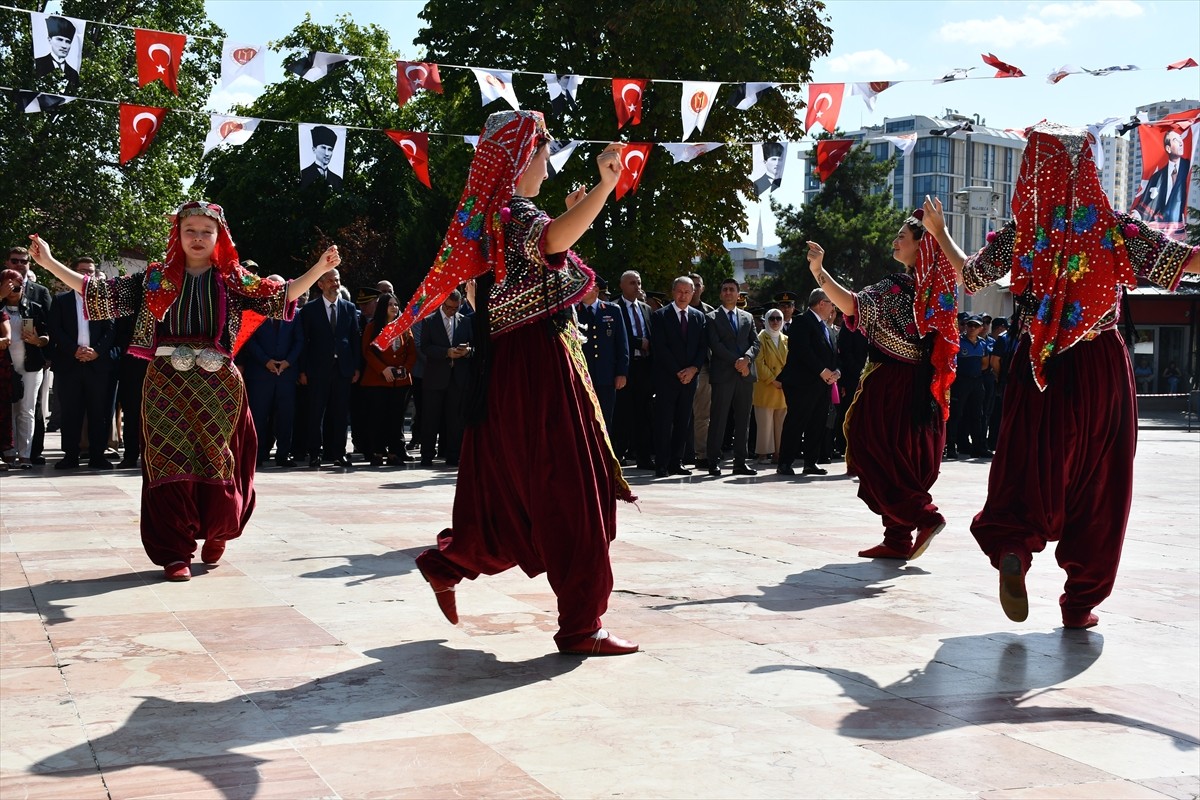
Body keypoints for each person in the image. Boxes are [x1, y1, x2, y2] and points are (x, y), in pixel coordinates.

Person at [380, 109, 638, 655]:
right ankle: (581, 626)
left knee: (508, 491)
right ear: (525, 155)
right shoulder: (513, 213)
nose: (549, 162)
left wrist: (572, 217)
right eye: (544, 150)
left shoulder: (500, 216)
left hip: (512, 368)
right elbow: (550, 241)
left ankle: (449, 564)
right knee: (572, 491)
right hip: (536, 368)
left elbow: (552, 253)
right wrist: (605, 186)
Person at [953, 122, 1200, 629]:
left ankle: (1014, 546)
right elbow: (1184, 260)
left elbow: (971, 277)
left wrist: (938, 232)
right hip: (1101, 366)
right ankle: (1080, 599)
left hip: (1038, 364)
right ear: (1090, 164)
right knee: (1102, 479)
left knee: (1027, 465)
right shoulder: (1113, 226)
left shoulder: (1024, 232)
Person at [27, 202, 339, 581]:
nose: (197, 237)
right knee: (168, 461)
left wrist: (320, 269)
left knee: (215, 458)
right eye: (190, 229)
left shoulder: (232, 279)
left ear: (218, 236)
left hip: (218, 385)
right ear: (178, 233)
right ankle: (176, 552)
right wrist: (49, 263)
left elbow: (280, 295)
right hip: (165, 383)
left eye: (206, 231)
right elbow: (101, 294)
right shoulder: (154, 279)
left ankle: (217, 532)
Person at [806, 201, 961, 559]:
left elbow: (850, 305)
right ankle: (897, 539)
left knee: (873, 451)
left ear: (921, 245)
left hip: (891, 384)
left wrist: (819, 271)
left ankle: (925, 517)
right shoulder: (940, 291)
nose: (895, 240)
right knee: (907, 458)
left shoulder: (894, 289)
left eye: (902, 236)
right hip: (926, 389)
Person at [47, 257, 119, 470]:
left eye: (91, 271)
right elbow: (55, 329)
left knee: (100, 412)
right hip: (69, 364)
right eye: (82, 271)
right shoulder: (61, 300)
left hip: (98, 365)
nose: (87, 275)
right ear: (73, 273)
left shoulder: (103, 300)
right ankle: (70, 455)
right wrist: (74, 350)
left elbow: (111, 330)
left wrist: (96, 351)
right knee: (71, 412)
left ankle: (98, 455)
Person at [298, 268, 360, 469]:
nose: (335, 284)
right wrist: (303, 370)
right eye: (331, 280)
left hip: (342, 369)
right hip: (317, 370)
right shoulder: (309, 310)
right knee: (316, 413)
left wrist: (356, 367)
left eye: (338, 280)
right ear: (321, 284)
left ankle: (339, 453)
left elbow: (354, 340)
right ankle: (315, 453)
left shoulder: (349, 308)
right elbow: (304, 342)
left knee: (340, 414)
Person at [242, 272, 304, 468]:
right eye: (272, 286)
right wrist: (266, 361)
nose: (276, 291)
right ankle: (257, 455)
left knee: (286, 417)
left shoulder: (294, 312)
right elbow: (249, 340)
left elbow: (299, 340)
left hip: (286, 374)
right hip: (261, 374)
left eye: (280, 287)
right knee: (259, 417)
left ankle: (283, 455)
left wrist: (288, 362)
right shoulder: (254, 311)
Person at [775, 289, 838, 476]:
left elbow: (833, 352)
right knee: (796, 422)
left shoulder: (826, 327)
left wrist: (836, 371)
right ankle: (785, 462)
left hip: (822, 385)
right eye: (831, 303)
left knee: (818, 423)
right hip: (802, 383)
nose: (833, 308)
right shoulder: (802, 322)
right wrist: (822, 371)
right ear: (821, 303)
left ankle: (810, 462)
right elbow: (803, 351)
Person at [651, 276, 707, 477]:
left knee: (684, 421)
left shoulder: (698, 317)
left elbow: (702, 348)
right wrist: (678, 371)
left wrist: (693, 369)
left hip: (690, 378)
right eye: (679, 291)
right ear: (673, 292)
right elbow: (660, 348)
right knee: (664, 422)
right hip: (667, 377)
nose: (683, 296)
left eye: (687, 292)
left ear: (693, 293)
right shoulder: (660, 316)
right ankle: (662, 464)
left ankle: (677, 461)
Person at [705, 278, 759, 476]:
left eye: (732, 290)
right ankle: (713, 461)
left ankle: (740, 462)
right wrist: (738, 361)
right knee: (718, 419)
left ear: (738, 295)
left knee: (743, 420)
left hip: (745, 375)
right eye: (725, 289)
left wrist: (747, 359)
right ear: (721, 294)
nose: (728, 293)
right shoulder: (711, 317)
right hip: (724, 374)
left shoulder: (748, 317)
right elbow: (715, 345)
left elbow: (756, 343)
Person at [417, 289, 473, 467]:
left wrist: (467, 351)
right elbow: (425, 347)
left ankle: (453, 455)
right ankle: (427, 455)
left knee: (455, 420)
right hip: (435, 378)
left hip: (457, 379)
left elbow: (474, 347)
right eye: (448, 307)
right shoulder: (429, 321)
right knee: (430, 418)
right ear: (442, 302)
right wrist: (446, 352)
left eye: (455, 308)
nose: (451, 311)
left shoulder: (465, 322)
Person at [0, 269, 49, 469]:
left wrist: (38, 340)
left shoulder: (33, 308)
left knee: (26, 409)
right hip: (4, 365)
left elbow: (47, 336)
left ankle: (25, 454)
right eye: (7, 283)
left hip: (30, 364)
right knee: (6, 408)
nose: (13, 288)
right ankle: (8, 452)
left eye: (16, 284)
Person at [360, 292, 416, 466]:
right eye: (391, 304)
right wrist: (383, 369)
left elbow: (412, 352)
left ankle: (394, 452)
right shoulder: (373, 327)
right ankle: (377, 452)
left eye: (396, 304)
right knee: (377, 416)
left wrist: (404, 369)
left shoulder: (404, 327)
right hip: (377, 380)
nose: (394, 307)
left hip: (399, 382)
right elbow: (367, 351)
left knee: (395, 417)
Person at [613, 270, 655, 470]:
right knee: (622, 414)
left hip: (644, 368)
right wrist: (639, 342)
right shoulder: (614, 308)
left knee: (644, 413)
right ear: (621, 285)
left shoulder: (646, 309)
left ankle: (644, 457)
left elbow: (653, 336)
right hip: (625, 369)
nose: (637, 287)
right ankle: (618, 455)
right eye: (631, 283)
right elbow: (616, 339)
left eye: (638, 282)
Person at [576, 278, 629, 434]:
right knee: (584, 419)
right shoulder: (573, 311)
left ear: (596, 290)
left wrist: (621, 372)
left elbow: (621, 344)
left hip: (607, 375)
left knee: (605, 419)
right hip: (584, 376)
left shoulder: (612, 310)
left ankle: (605, 456)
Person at [946, 316, 991, 458]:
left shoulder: (982, 343)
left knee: (977, 415)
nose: (972, 328)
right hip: (961, 381)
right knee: (956, 414)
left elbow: (985, 363)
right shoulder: (958, 342)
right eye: (969, 325)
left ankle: (978, 447)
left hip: (977, 382)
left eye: (975, 326)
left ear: (981, 328)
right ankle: (951, 446)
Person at [1130, 129, 1190, 225]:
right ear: (1168, 148)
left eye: (1180, 139)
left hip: (1182, 225)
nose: (1181, 143)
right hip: (1161, 228)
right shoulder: (1157, 177)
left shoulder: (1188, 168)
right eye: (1176, 140)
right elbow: (1148, 201)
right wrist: (1137, 214)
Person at [753, 309, 788, 464]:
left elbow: (791, 362)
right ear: (766, 320)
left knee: (781, 423)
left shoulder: (786, 339)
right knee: (765, 423)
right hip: (766, 386)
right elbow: (759, 363)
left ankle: (779, 453)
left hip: (783, 387)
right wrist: (773, 380)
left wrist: (785, 380)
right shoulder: (760, 338)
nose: (775, 322)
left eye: (778, 318)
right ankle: (763, 454)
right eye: (772, 319)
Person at [33, 15, 80, 90]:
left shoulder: (73, 74)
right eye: (60, 40)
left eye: (68, 42)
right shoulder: (37, 64)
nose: (64, 46)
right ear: (49, 40)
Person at [299, 126, 343, 190]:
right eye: (323, 148)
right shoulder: (304, 174)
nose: (327, 153)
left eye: (330, 149)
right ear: (314, 149)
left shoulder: (337, 179)